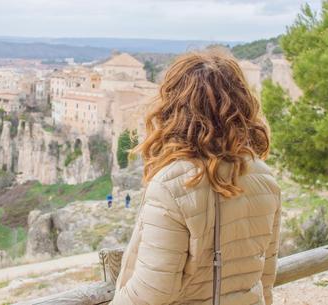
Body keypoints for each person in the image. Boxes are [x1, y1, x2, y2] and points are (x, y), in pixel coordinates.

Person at [110, 49, 281, 305]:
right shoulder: (265, 178)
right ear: (242, 103)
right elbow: (265, 275)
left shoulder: (171, 185)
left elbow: (151, 291)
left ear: (174, 107)